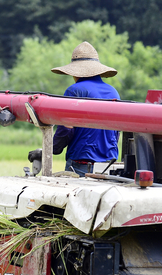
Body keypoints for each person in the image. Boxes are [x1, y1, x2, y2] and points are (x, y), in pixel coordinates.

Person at [51, 41, 120, 177]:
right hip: (109, 165)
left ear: (75, 72)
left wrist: (53, 149)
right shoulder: (114, 92)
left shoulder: (75, 90)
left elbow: (66, 128)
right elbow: (116, 132)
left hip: (81, 164)